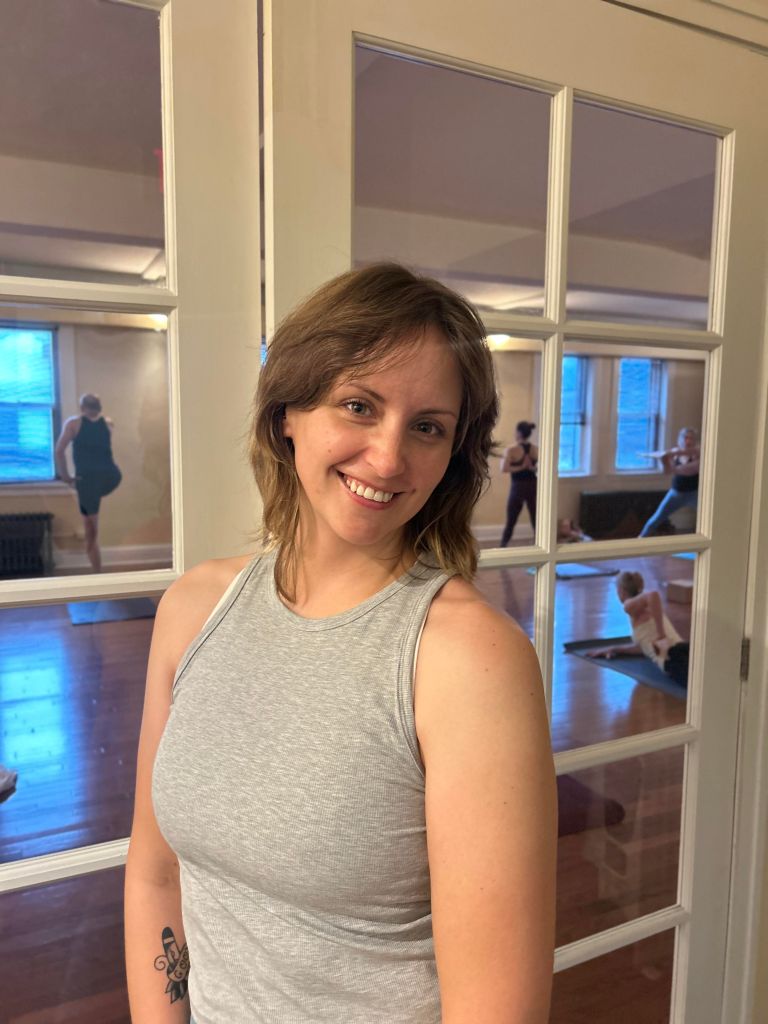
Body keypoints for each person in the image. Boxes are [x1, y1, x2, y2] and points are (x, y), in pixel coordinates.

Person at [125, 263, 557, 1024]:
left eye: (427, 427)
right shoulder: (194, 608)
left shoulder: (466, 659)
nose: (389, 458)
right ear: (287, 411)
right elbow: (156, 873)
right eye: (359, 405)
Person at [55, 393, 122, 573]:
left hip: (88, 480)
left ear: (82, 407)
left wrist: (66, 477)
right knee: (91, 525)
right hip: (112, 476)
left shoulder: (73, 424)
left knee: (90, 530)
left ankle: (97, 573)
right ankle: (97, 571)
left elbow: (59, 451)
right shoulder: (108, 424)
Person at [586, 570, 689, 686]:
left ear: (621, 590)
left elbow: (653, 595)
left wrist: (661, 637)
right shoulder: (642, 606)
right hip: (681, 650)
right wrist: (615, 649)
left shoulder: (628, 605)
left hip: (673, 658)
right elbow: (643, 648)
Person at [638, 427, 700, 538]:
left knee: (709, 518)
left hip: (694, 494)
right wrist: (664, 461)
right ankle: (639, 541)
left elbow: (690, 470)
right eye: (685, 438)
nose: (688, 441)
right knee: (656, 519)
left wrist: (672, 464)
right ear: (680, 439)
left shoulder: (698, 453)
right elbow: (667, 472)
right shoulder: (674, 453)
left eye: (691, 438)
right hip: (676, 494)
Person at [499, 420, 538, 547]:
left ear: (519, 433)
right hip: (533, 486)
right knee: (536, 519)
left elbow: (504, 469)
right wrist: (530, 467)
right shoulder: (535, 449)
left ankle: (502, 547)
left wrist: (522, 466)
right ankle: (541, 549)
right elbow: (539, 468)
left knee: (511, 519)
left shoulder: (511, 450)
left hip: (518, 487)